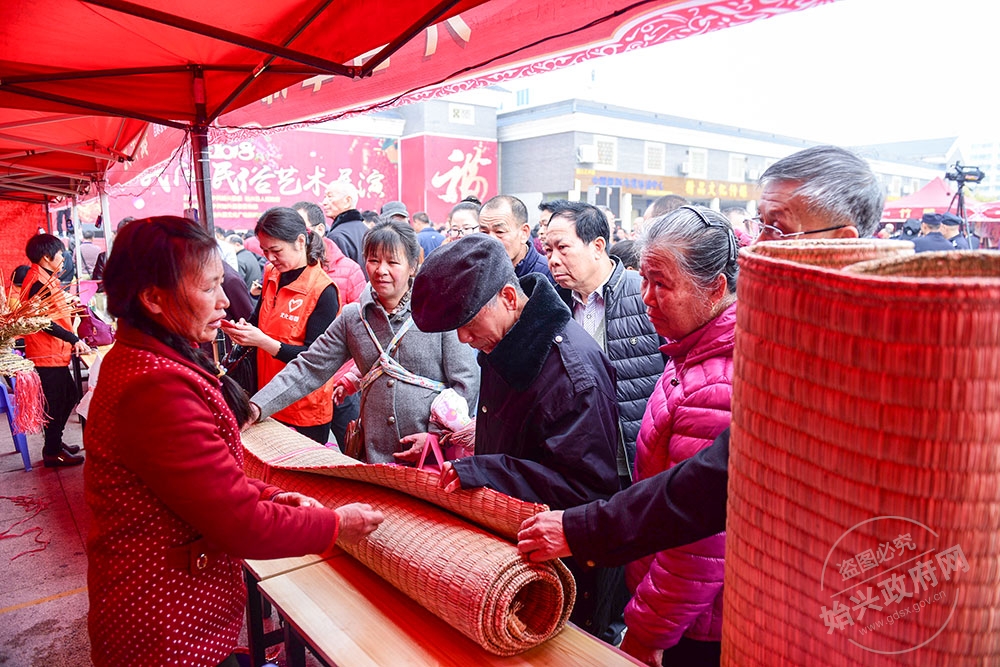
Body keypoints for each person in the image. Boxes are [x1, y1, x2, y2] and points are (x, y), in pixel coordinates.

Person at [517, 143, 885, 586]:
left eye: (778, 231)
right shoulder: (748, 335)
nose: (757, 249)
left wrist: (586, 531)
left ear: (842, 243)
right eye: (758, 226)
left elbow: (713, 486)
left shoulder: (854, 347)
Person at [85, 215, 382, 667]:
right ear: (152, 299)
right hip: (169, 630)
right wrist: (335, 527)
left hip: (177, 611)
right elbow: (237, 521)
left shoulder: (151, 358)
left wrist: (272, 494)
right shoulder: (155, 387)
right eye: (209, 289)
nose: (225, 301)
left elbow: (207, 485)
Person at [410, 234, 624, 640]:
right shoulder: (508, 339)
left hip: (564, 574)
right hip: (515, 551)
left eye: (468, 325)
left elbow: (587, 491)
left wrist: (487, 472)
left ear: (509, 296)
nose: (462, 339)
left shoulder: (571, 375)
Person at [248, 221, 479, 464]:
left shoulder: (439, 313)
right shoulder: (353, 318)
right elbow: (309, 367)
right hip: (375, 453)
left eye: (392, 262)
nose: (381, 270)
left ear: (413, 266)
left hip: (433, 456)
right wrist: (257, 407)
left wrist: (436, 435)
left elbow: (466, 381)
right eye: (374, 260)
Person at [617, 206, 738, 666]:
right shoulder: (690, 349)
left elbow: (698, 541)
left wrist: (648, 632)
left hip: (695, 626)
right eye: (643, 279)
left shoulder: (718, 383)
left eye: (661, 284)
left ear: (715, 289)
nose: (646, 297)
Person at [543, 200, 664, 489]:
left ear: (597, 246)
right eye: (548, 250)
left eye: (563, 248)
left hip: (638, 458)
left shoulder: (643, 292)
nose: (553, 260)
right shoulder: (552, 306)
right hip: (581, 462)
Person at [221, 208, 340, 445]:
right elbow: (258, 319)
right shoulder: (271, 274)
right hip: (266, 398)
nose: (270, 258)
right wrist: (243, 330)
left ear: (300, 241)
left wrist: (262, 341)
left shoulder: (323, 290)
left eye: (276, 251)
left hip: (304, 408)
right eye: (264, 251)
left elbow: (315, 359)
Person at [21, 234, 91, 467]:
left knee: (67, 396)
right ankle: (52, 451)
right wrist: (73, 338)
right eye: (60, 253)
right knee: (58, 401)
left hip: (53, 353)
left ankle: (55, 443)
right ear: (45, 257)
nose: (63, 257)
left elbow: (53, 310)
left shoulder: (45, 278)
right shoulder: (37, 283)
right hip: (45, 354)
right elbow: (43, 322)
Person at [293, 200, 366, 305]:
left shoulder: (350, 271)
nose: (294, 238)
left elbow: (360, 317)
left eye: (301, 230)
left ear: (320, 229)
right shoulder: (279, 268)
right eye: (289, 231)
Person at [478, 195, 554, 282]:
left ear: (524, 233)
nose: (490, 240)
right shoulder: (478, 273)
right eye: (484, 232)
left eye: (499, 232)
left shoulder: (549, 274)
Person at [323, 180, 368, 277]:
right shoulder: (366, 230)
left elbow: (339, 277)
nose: (324, 202)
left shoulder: (337, 237)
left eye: (330, 197)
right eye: (325, 197)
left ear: (347, 201)